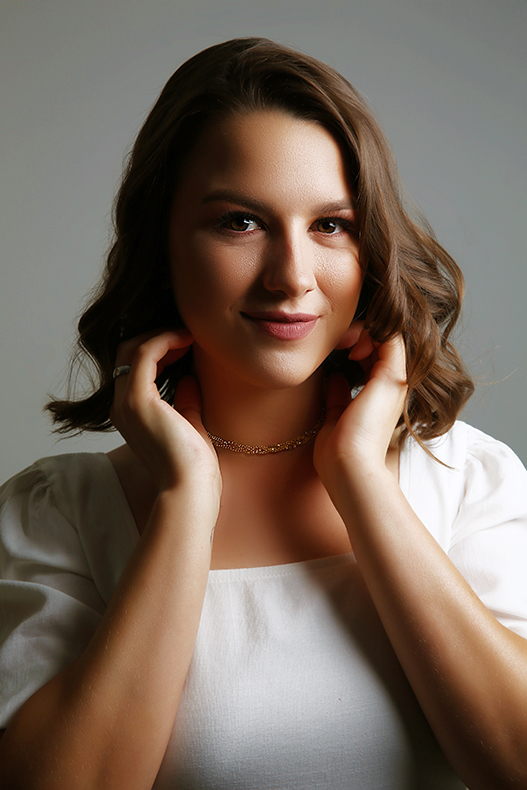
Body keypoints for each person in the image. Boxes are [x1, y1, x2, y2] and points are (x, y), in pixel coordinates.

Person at [0, 37, 526, 790]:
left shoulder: (467, 479)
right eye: (240, 222)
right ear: (162, 243)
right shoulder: (61, 515)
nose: (291, 277)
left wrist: (361, 482)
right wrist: (185, 503)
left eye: (330, 225)